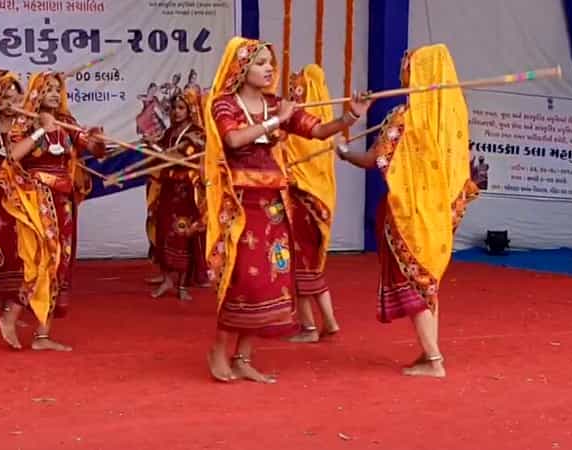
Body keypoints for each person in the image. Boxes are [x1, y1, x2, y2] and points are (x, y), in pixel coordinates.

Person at [204, 37, 371, 383]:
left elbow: (318, 130)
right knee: (241, 280)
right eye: (261, 62)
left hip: (274, 207)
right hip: (240, 206)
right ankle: (218, 351)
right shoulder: (224, 105)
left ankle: (243, 357)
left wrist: (350, 116)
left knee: (268, 282)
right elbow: (233, 140)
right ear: (241, 67)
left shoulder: (274, 104)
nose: (269, 69)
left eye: (270, 62)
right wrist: (274, 122)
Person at [336, 44, 479, 377]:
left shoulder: (405, 118)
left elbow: (375, 159)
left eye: (408, 61)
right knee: (428, 282)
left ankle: (433, 360)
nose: (402, 64)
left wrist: (343, 152)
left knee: (415, 283)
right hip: (438, 218)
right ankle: (430, 353)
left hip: (408, 215)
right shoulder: (451, 118)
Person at [0, 69, 62, 350]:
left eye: (14, 93)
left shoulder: (28, 124)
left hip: (26, 196)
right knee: (2, 255)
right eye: (4, 94)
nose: (10, 98)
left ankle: (12, 312)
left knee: (31, 255)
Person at [10, 71, 106, 318]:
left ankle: (41, 320)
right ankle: (16, 313)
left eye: (57, 89)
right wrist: (41, 130)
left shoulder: (66, 122)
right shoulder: (25, 121)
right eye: (48, 89)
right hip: (38, 199)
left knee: (60, 256)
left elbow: (94, 150)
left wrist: (98, 140)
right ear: (36, 92)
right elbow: (14, 155)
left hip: (62, 200)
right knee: (42, 256)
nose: (54, 94)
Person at [284, 64, 341, 343]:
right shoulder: (321, 123)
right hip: (318, 204)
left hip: (302, 204)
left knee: (300, 267)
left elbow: (291, 172)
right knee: (313, 266)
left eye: (298, 87)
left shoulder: (302, 128)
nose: (294, 92)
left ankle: (308, 327)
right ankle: (329, 322)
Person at [149, 90, 206, 301]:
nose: (176, 112)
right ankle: (166, 279)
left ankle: (182, 285)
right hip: (168, 188)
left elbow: (187, 155)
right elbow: (161, 154)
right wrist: (151, 145)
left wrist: (167, 153)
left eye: (181, 108)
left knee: (183, 234)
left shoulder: (197, 133)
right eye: (174, 108)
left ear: (190, 110)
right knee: (163, 231)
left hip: (185, 191)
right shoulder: (170, 132)